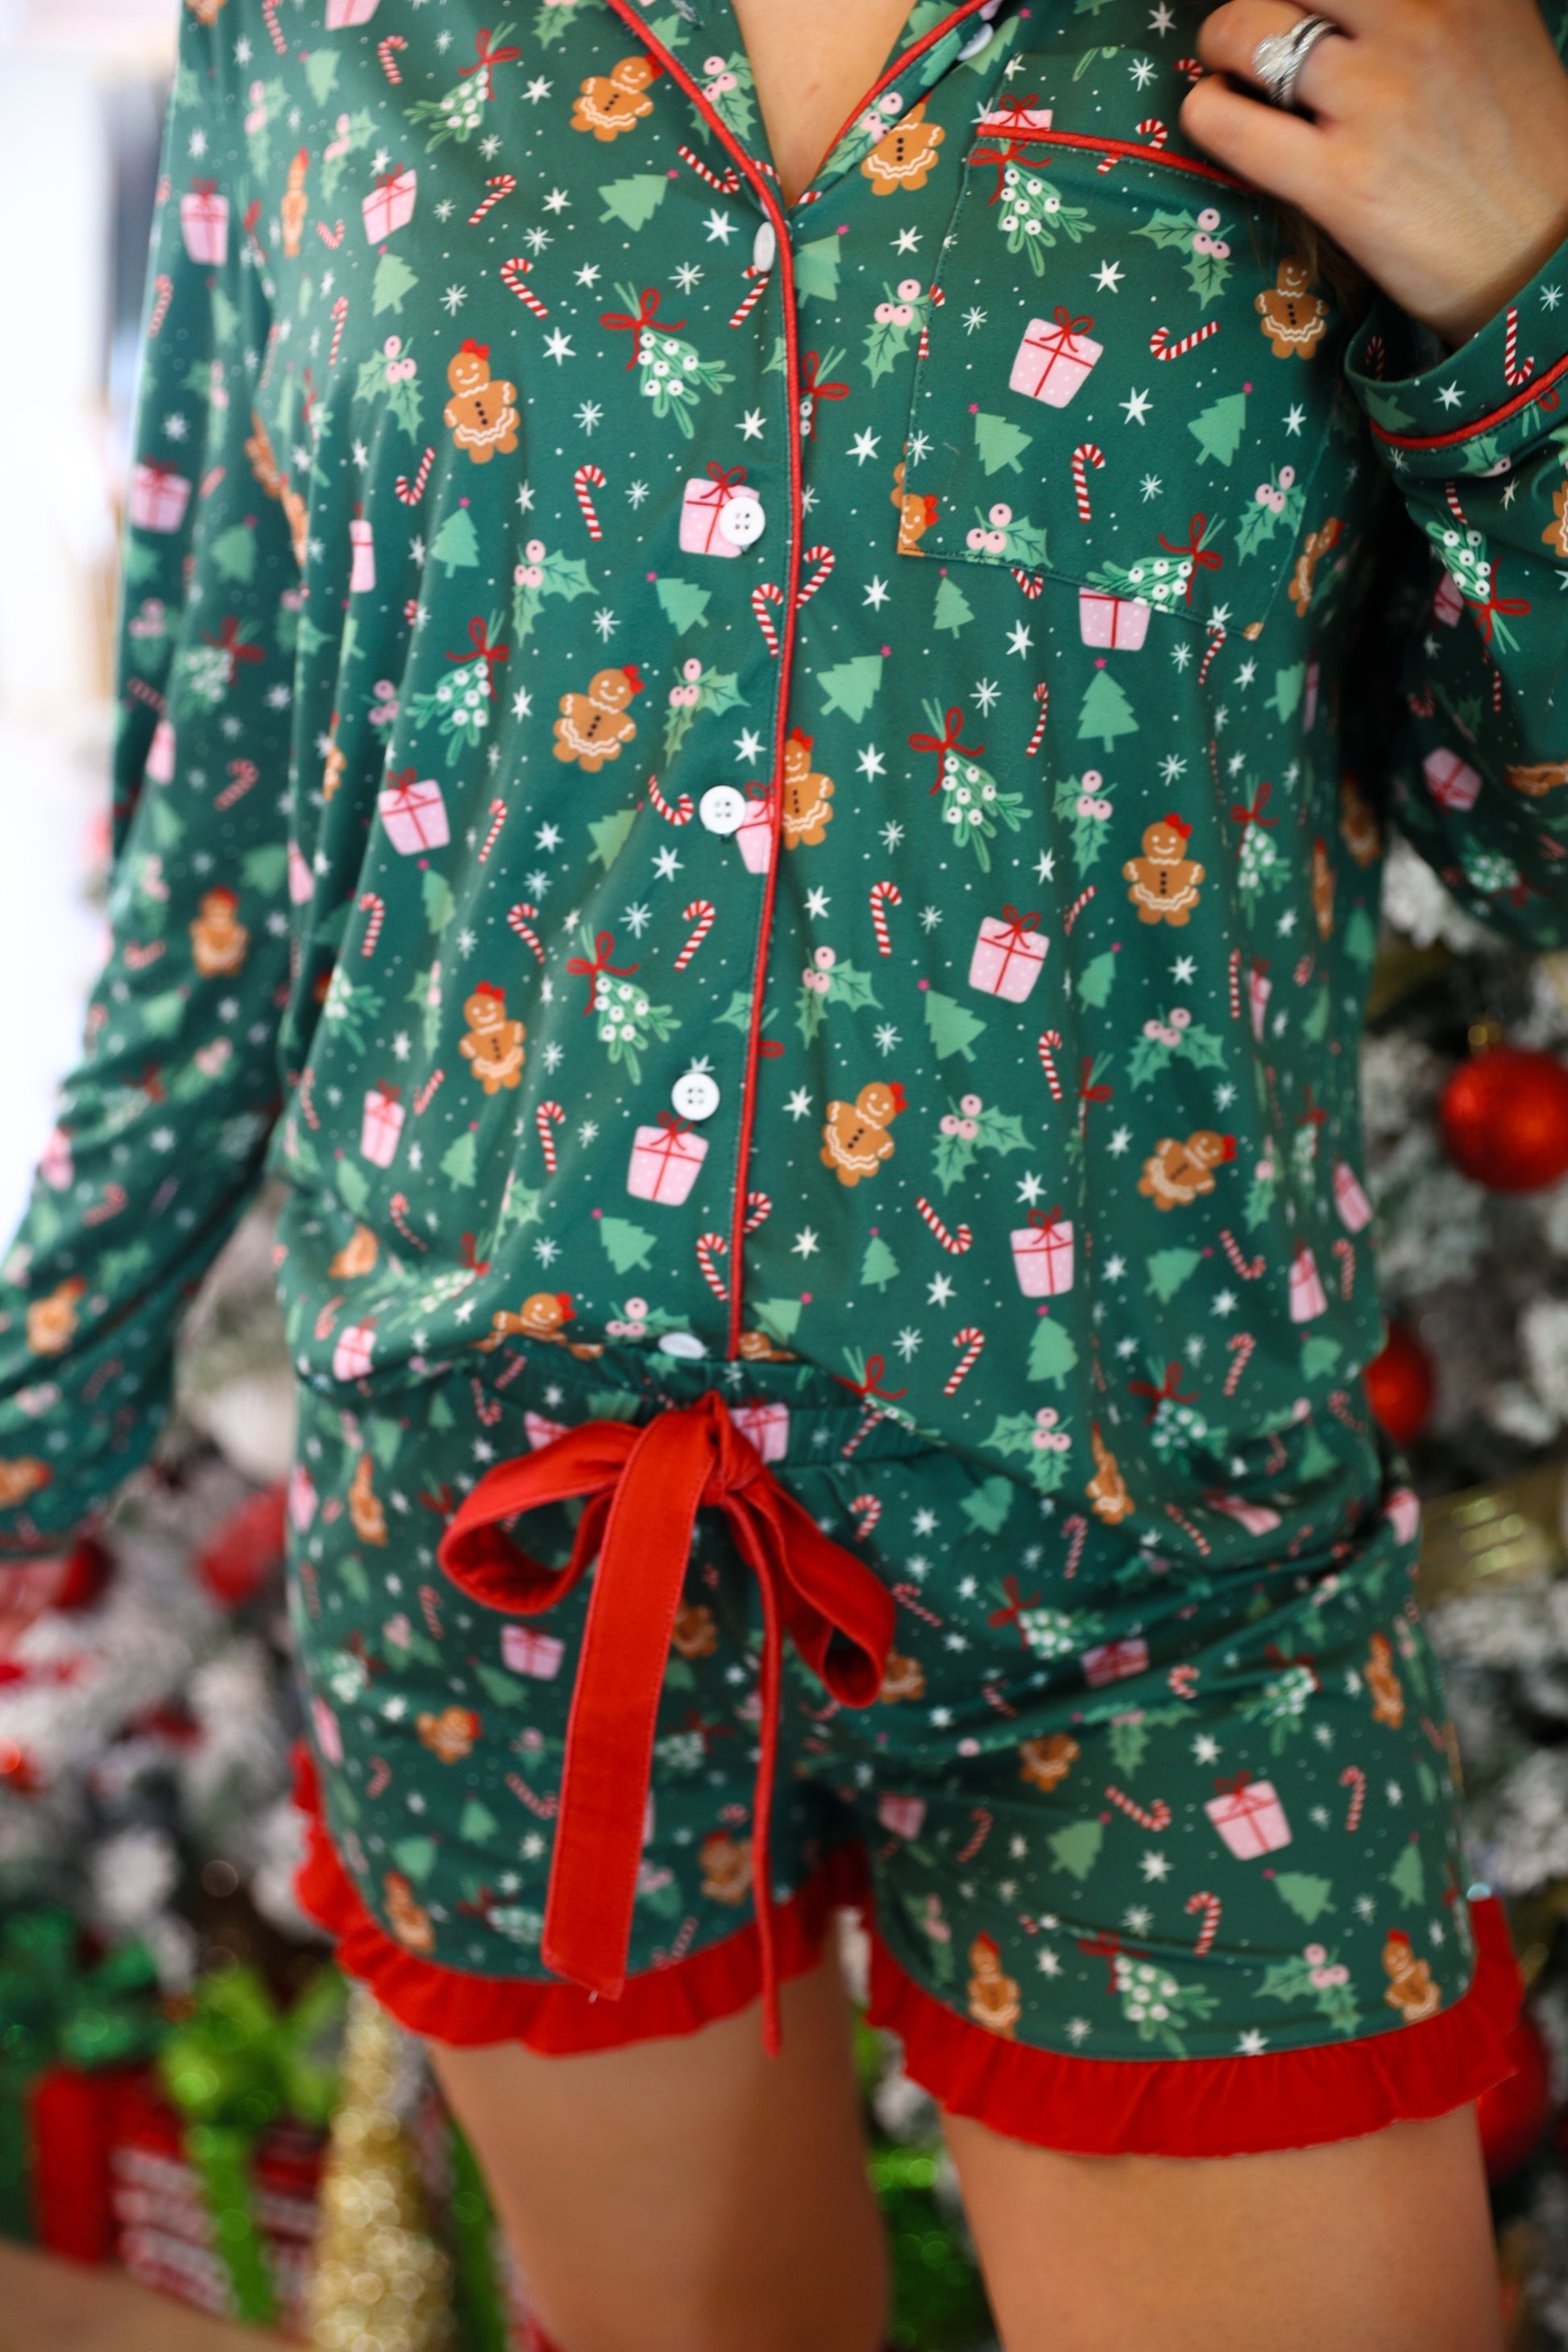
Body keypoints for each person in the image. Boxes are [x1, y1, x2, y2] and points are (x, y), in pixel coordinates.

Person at [3, 0, 1567, 2342]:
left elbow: (1532, 863)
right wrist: (35, 1412)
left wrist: (1522, 284)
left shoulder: (1393, 26)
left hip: (1155, 1570)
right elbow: (231, 819)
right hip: (504, 1543)